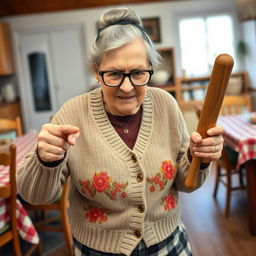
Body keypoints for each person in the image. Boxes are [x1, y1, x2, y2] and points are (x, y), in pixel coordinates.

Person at [17, 7, 224, 256]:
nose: (126, 88)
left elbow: (185, 183)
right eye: (114, 74)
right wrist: (44, 160)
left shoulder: (166, 105)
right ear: (96, 71)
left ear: (150, 68)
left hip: (169, 244)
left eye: (138, 73)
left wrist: (197, 158)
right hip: (97, 250)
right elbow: (35, 195)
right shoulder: (72, 114)